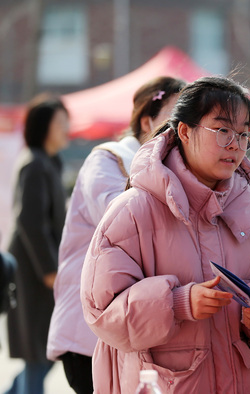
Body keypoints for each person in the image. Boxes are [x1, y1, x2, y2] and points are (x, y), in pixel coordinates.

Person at [80, 76, 250, 393]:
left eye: (243, 134)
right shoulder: (134, 209)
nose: (235, 144)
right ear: (184, 131)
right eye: (222, 131)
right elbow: (102, 312)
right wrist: (178, 303)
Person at [46, 76, 186, 394]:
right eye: (174, 120)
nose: (181, 132)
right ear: (147, 121)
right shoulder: (108, 159)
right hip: (90, 329)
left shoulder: (174, 172)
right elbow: (120, 222)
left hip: (129, 327)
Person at [5, 94, 70, 394]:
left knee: (47, 350)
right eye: (60, 122)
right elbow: (30, 223)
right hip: (34, 273)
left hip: (44, 271)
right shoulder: (35, 164)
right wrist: (48, 271)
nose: (66, 128)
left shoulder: (49, 163)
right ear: (42, 127)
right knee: (39, 350)